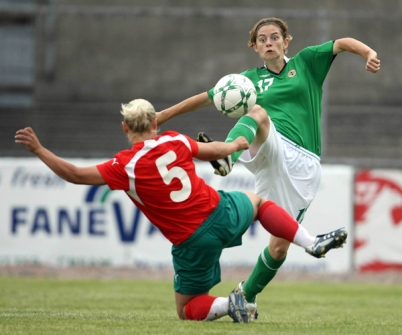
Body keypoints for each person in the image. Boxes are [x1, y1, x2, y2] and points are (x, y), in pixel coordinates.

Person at [15, 99, 347, 323]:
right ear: (155, 124)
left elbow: (74, 174)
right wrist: (234, 146)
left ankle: (229, 305)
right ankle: (310, 241)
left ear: (125, 128)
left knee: (187, 307)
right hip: (222, 211)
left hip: (191, 241)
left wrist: (40, 149)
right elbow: (212, 150)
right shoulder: (173, 139)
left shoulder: (124, 165)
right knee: (260, 203)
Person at [156, 17, 380, 319]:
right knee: (259, 113)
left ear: (287, 41)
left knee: (278, 249)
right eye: (262, 39)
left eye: (275, 37)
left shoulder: (306, 62)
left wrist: (367, 53)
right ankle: (226, 155)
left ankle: (243, 298)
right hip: (269, 146)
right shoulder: (247, 80)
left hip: (303, 165)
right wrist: (163, 116)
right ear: (254, 46)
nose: (269, 43)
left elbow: (341, 43)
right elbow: (208, 97)